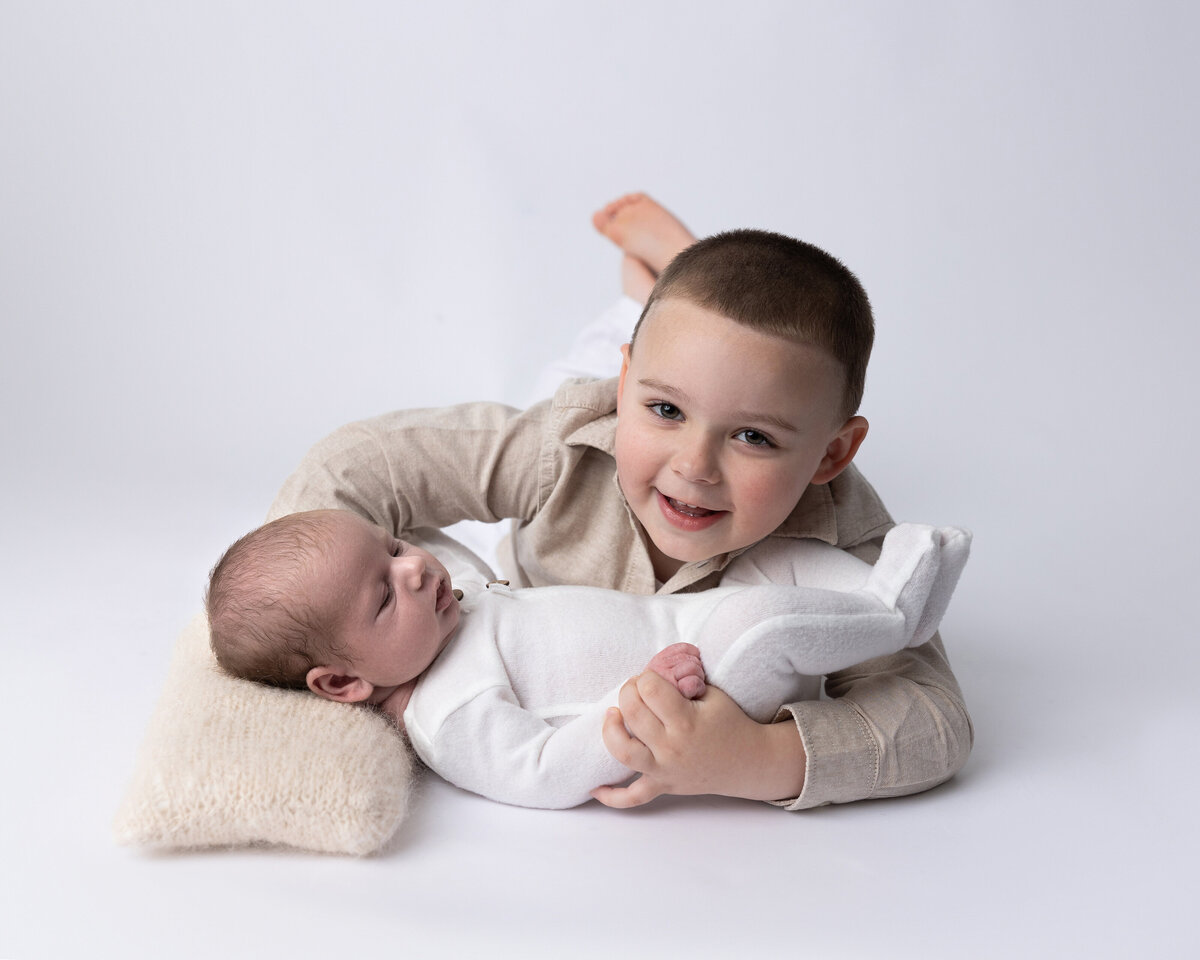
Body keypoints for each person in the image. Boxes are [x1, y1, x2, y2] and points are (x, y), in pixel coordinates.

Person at [265, 193, 973, 810]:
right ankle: (665, 282)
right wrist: (311, 616)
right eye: (665, 410)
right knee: (598, 355)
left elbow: (934, 722)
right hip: (565, 466)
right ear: (626, 385)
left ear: (831, 454)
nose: (694, 468)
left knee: (710, 354)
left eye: (753, 436)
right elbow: (355, 465)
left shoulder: (848, 538)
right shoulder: (568, 442)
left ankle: (678, 293)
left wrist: (755, 758)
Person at [207, 509, 970, 809]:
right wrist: (628, 710)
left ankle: (876, 595)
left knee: (778, 560)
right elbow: (534, 771)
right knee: (762, 626)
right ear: (344, 681)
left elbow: (467, 560)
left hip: (685, 617)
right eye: (383, 594)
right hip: (702, 695)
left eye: (394, 547)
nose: (413, 570)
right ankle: (895, 616)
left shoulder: (448, 608)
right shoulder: (447, 711)